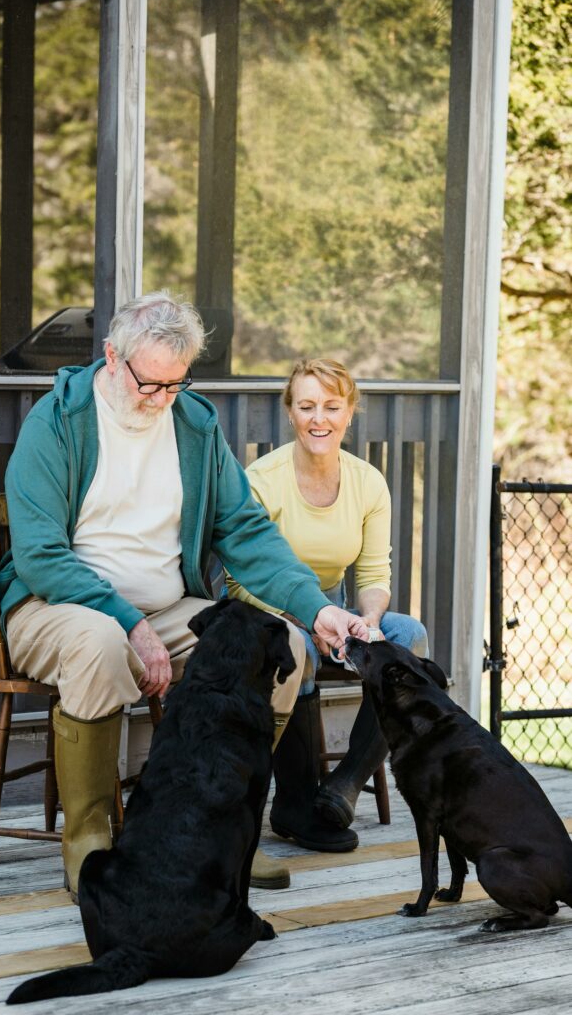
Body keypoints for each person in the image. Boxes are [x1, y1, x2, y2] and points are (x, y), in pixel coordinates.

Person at [0, 293, 372, 900]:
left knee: (279, 651)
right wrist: (128, 625)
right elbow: (41, 556)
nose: (161, 399)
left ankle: (217, 837)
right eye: (151, 384)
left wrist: (318, 608)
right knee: (97, 643)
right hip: (56, 608)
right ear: (113, 359)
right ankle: (89, 845)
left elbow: (246, 531)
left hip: (167, 608)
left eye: (176, 385)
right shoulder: (57, 421)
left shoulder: (193, 423)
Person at [227, 357, 428, 882]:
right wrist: (310, 618)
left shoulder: (368, 482)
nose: (320, 418)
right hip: (269, 612)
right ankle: (294, 804)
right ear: (290, 413)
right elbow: (238, 579)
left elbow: (376, 571)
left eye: (332, 407)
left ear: (349, 413)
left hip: (337, 607)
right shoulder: (262, 480)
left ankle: (344, 786)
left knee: (410, 637)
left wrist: (369, 620)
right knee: (296, 646)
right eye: (307, 406)